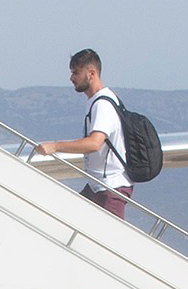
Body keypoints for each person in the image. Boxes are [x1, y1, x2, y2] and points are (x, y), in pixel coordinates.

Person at [32, 49, 132, 218]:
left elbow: (94, 143)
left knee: (105, 240)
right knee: (69, 219)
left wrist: (55, 146)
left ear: (91, 73)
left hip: (110, 189)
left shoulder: (103, 105)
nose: (72, 78)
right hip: (97, 186)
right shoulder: (96, 101)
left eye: (76, 73)